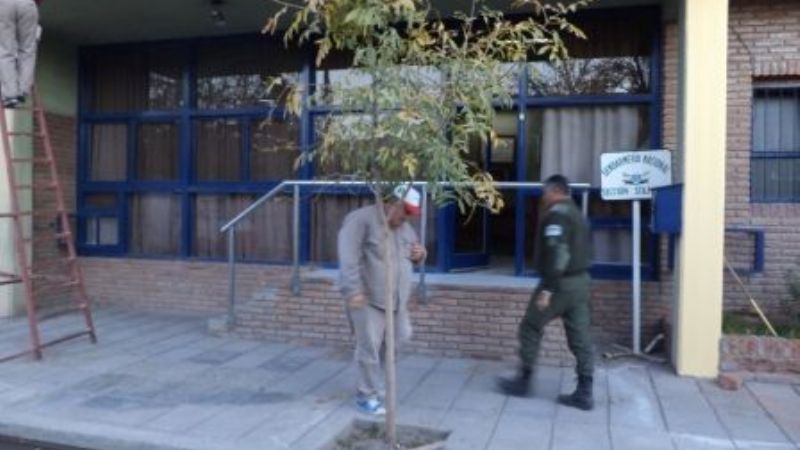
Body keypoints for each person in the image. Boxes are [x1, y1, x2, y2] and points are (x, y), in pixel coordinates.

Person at [497, 174, 595, 411]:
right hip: (581, 283)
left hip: (559, 284)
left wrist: (548, 290)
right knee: (580, 337)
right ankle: (585, 391)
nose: (543, 197)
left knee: (531, 326)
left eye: (545, 192)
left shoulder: (557, 215)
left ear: (556, 191)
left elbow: (557, 253)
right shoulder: (579, 215)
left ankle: (523, 381)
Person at [337, 185, 426, 415]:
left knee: (398, 341)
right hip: (367, 298)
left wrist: (421, 255)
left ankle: (380, 388)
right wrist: (353, 291)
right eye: (404, 211)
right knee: (369, 347)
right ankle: (366, 396)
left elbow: (415, 253)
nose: (406, 217)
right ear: (390, 202)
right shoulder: (360, 220)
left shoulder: (404, 227)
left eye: (410, 213)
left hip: (397, 302)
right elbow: (348, 259)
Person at [0, 0, 42, 108]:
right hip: (28, 4)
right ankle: (23, 90)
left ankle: (10, 95)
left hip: (5, 4)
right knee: (27, 50)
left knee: (5, 51)